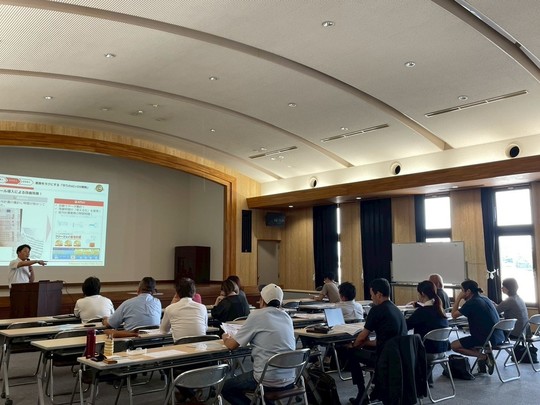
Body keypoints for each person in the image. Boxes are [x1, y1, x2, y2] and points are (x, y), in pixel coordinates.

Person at [221, 283, 296, 405]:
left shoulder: (256, 315)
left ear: (262, 300)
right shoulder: (287, 317)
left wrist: (225, 337)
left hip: (266, 379)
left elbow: (231, 346)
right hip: (290, 378)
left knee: (226, 387)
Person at [347, 278, 407, 405]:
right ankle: (377, 389)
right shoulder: (397, 310)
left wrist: (354, 345)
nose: (371, 298)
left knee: (351, 353)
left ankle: (362, 393)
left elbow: (362, 337)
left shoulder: (376, 310)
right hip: (400, 357)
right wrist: (366, 344)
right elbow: (384, 340)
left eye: (372, 294)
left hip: (384, 359)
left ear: (378, 294)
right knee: (366, 348)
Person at [451, 279, 504, 375]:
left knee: (454, 346)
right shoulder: (485, 299)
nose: (461, 292)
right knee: (473, 338)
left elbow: (453, 315)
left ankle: (484, 357)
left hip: (486, 338)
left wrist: (458, 298)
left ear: (468, 291)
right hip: (499, 336)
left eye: (462, 290)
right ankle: (482, 364)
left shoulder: (472, 302)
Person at [406, 281, 449, 368]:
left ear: (422, 293)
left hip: (426, 352)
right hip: (442, 350)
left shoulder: (421, 312)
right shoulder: (440, 310)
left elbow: (406, 326)